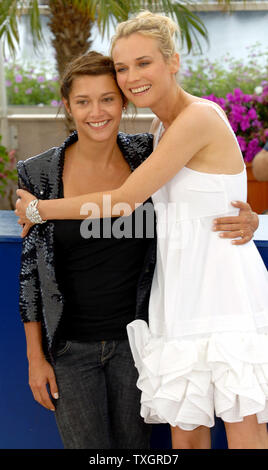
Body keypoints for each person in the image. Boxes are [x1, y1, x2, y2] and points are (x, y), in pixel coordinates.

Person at [15, 12, 262, 449]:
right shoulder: (158, 130)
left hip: (220, 291)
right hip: (177, 298)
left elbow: (128, 200)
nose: (132, 77)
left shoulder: (198, 118)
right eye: (123, 67)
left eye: (143, 63)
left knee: (243, 427)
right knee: (185, 433)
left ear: (173, 61)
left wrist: (39, 209)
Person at [16, 51, 155, 449]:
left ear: (123, 101)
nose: (97, 111)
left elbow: (204, 188)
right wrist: (35, 358)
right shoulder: (39, 172)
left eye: (108, 98)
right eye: (83, 101)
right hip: (70, 352)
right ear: (68, 106)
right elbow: (30, 276)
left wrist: (246, 214)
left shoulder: (148, 155)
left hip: (139, 346)